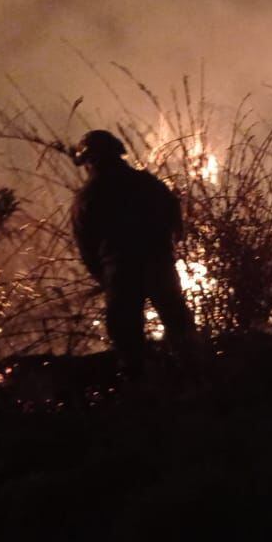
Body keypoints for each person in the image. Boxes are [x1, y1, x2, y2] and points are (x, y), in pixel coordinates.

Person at [69, 129, 196, 375]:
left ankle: (139, 389)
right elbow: (175, 221)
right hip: (158, 264)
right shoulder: (148, 183)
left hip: (120, 271)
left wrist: (103, 275)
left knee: (126, 335)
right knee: (178, 324)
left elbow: (86, 245)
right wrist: (166, 248)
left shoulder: (88, 196)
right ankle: (195, 377)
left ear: (91, 161)